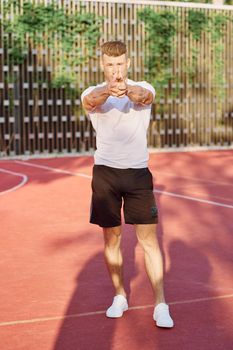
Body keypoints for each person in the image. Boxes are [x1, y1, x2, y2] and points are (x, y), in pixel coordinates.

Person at [81, 41, 174, 328]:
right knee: (112, 239)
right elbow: (91, 101)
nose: (115, 70)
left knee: (149, 241)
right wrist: (108, 91)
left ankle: (161, 304)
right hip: (106, 175)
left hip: (137, 174)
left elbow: (143, 96)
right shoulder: (91, 92)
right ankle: (120, 295)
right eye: (110, 65)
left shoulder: (143, 87)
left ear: (128, 63)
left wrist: (126, 90)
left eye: (120, 64)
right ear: (102, 65)